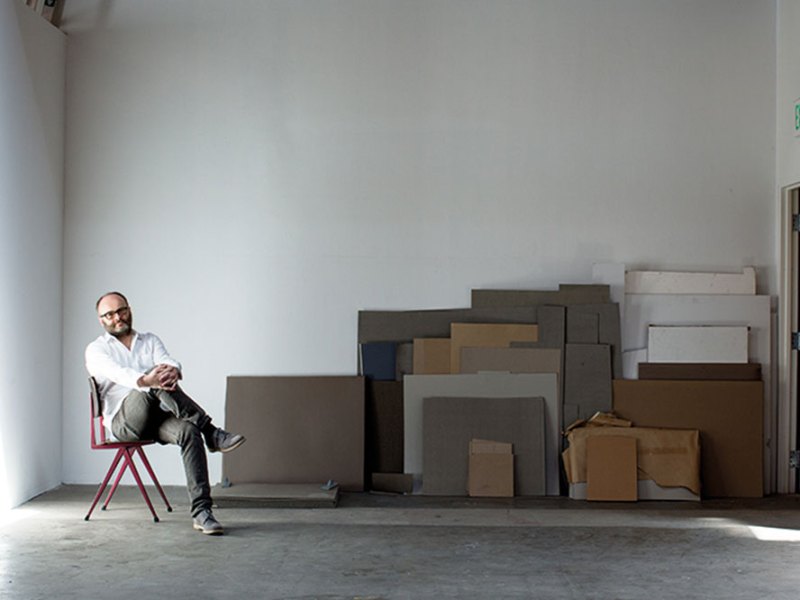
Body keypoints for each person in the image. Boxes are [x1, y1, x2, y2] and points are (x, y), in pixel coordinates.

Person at [85, 291, 245, 535]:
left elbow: (167, 360)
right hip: (123, 422)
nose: (117, 317)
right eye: (109, 314)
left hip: (158, 416)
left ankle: (202, 512)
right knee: (152, 384)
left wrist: (173, 371)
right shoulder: (96, 350)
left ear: (129, 309)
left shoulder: (149, 340)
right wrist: (146, 379)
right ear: (101, 320)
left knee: (189, 431)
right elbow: (118, 373)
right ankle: (211, 431)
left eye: (122, 310)